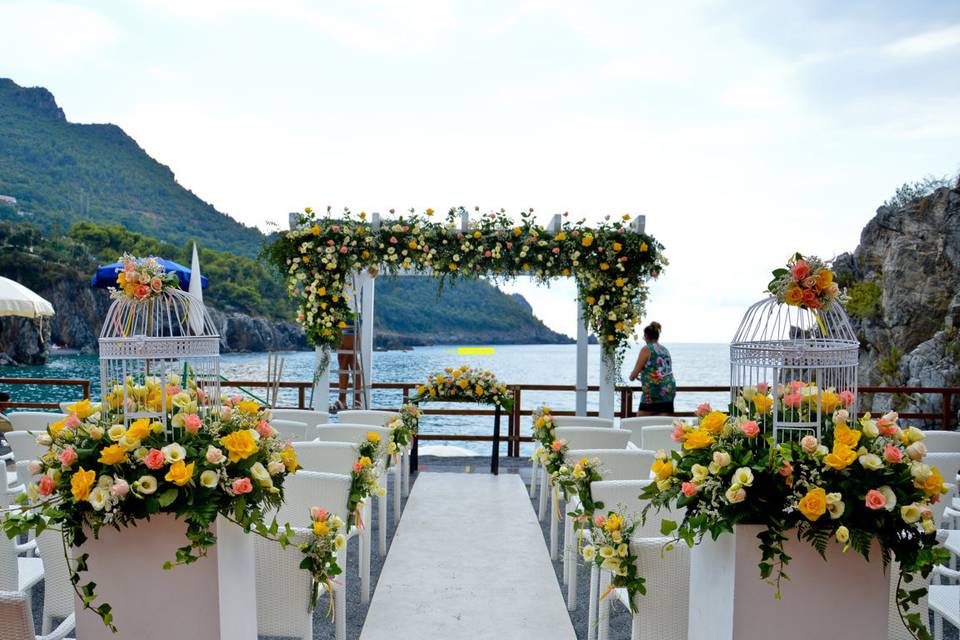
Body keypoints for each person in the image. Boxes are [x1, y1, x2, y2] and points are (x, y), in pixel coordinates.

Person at [628, 321, 676, 416]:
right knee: (661, 423)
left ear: (646, 336)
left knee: (639, 421)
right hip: (669, 389)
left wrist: (632, 377)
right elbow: (662, 369)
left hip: (654, 390)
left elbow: (634, 374)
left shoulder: (646, 349)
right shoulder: (665, 349)